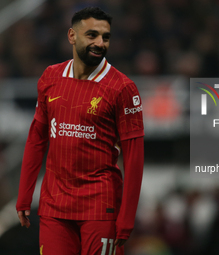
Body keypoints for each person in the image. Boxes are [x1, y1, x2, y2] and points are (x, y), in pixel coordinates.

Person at [16, 7, 144, 255]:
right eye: (92, 35)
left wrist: (127, 219)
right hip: (55, 206)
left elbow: (135, 158)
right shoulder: (50, 77)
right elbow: (36, 138)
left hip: (100, 206)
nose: (100, 43)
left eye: (105, 37)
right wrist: (24, 194)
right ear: (72, 36)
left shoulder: (123, 88)